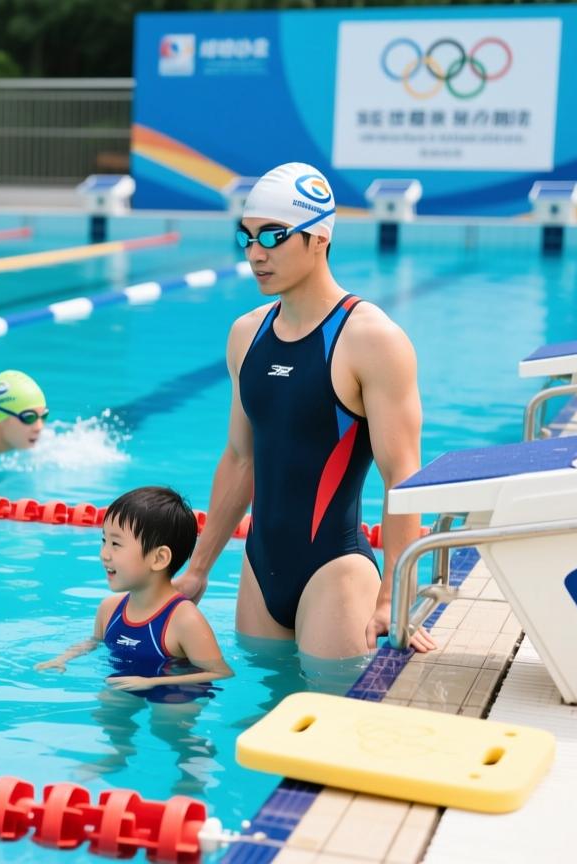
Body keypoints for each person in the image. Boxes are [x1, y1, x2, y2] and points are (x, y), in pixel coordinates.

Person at [171, 161, 435, 659]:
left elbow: (401, 476)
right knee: (251, 721)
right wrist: (199, 569)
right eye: (245, 238)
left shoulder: (370, 339)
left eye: (272, 236)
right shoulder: (246, 334)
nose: (255, 254)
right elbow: (239, 459)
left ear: (318, 238)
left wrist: (393, 598)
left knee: (332, 722)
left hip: (335, 572)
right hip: (259, 568)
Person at [36, 486, 233, 697]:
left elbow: (220, 672)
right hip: (127, 681)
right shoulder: (109, 609)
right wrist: (62, 658)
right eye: (104, 541)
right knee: (108, 714)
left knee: (168, 724)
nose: (104, 554)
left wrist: (152, 682)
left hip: (176, 689)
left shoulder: (184, 620)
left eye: (116, 544)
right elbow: (94, 642)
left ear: (158, 559)